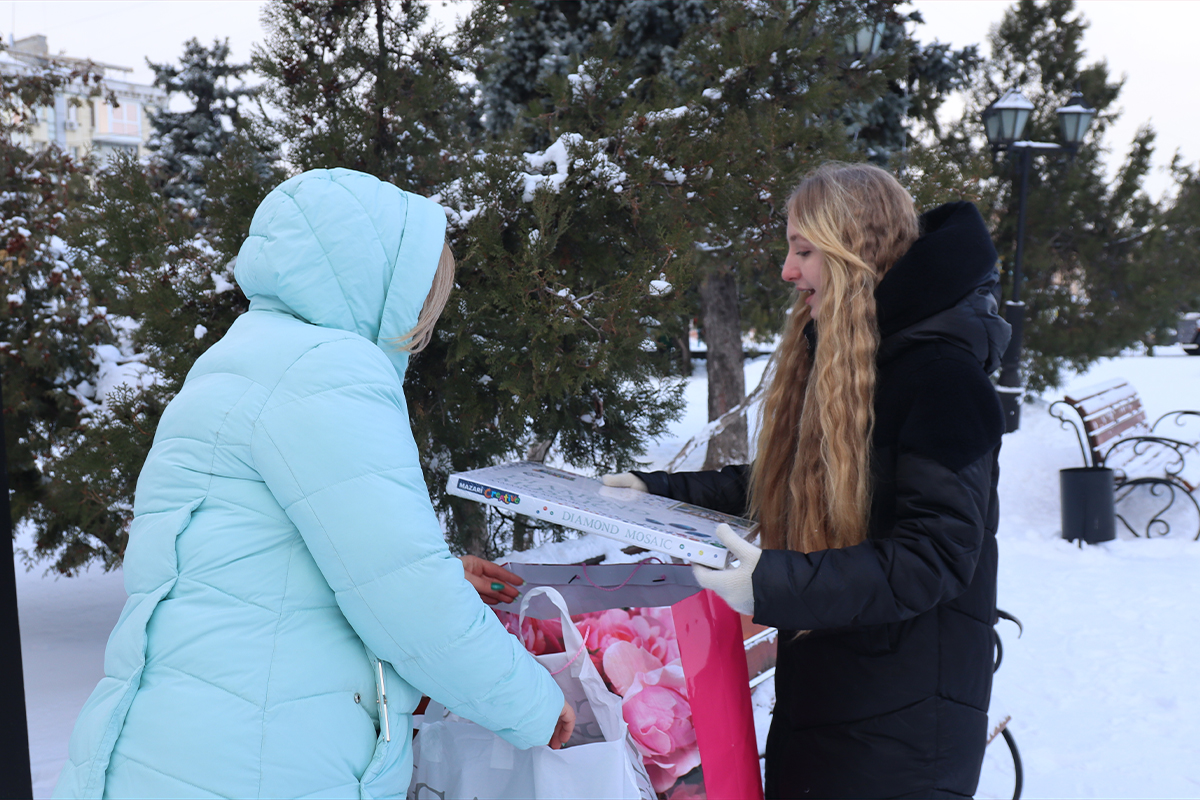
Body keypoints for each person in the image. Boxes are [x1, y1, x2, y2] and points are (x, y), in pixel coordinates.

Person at [55, 168, 573, 799]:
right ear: (379, 281)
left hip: (173, 744)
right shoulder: (328, 371)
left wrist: (430, 571)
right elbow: (408, 602)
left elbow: (259, 558)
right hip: (256, 763)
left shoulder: (239, 356)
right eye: (421, 291)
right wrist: (533, 706)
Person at [607, 162, 1010, 799]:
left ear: (859, 253)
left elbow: (933, 557)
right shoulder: (863, 352)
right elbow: (790, 482)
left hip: (903, 725)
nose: (789, 272)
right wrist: (655, 491)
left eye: (804, 251)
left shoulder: (943, 380)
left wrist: (774, 583)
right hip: (835, 695)